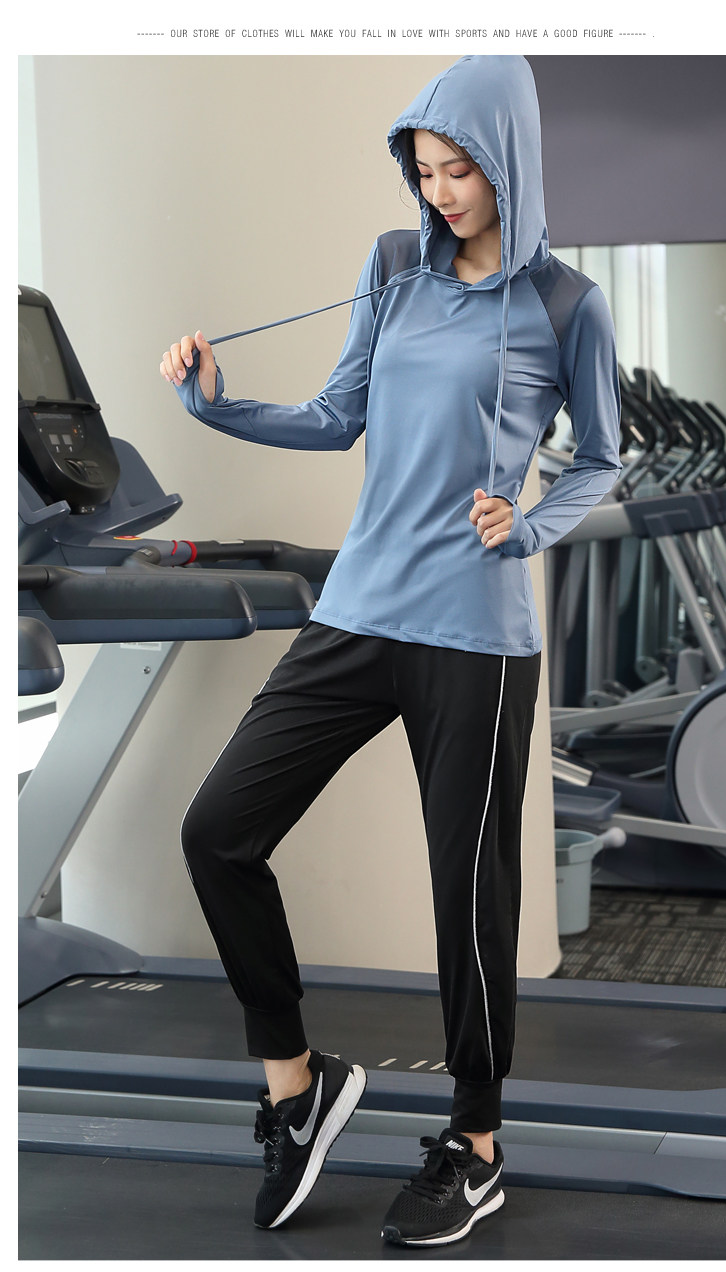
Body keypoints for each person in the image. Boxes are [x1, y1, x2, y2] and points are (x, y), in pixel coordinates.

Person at [161, 54, 622, 1248]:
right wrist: (217, 405)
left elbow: (600, 458)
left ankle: (476, 1146)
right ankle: (296, 1087)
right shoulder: (391, 267)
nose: (441, 191)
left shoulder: (567, 303)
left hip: (476, 636)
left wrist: (528, 525)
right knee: (217, 831)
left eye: (460, 169)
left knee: (469, 901)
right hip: (359, 611)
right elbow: (336, 416)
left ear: (509, 161)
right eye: (424, 170)